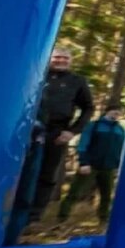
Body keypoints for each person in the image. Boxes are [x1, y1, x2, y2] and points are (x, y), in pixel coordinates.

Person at [28, 47, 94, 222]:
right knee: (22, 170)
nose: (61, 61)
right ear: (50, 58)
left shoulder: (77, 81)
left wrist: (72, 131)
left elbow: (88, 108)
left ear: (70, 61)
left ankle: (34, 216)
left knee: (48, 173)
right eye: (57, 57)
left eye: (65, 58)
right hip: (29, 131)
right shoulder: (37, 75)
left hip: (57, 133)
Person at [59, 103, 125, 223]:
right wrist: (84, 162)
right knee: (75, 191)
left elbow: (121, 149)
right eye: (115, 112)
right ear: (108, 111)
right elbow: (83, 144)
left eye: (119, 113)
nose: (117, 115)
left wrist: (117, 166)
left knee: (106, 195)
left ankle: (103, 219)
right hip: (90, 165)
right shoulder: (94, 126)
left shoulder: (120, 130)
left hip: (108, 167)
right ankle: (62, 217)